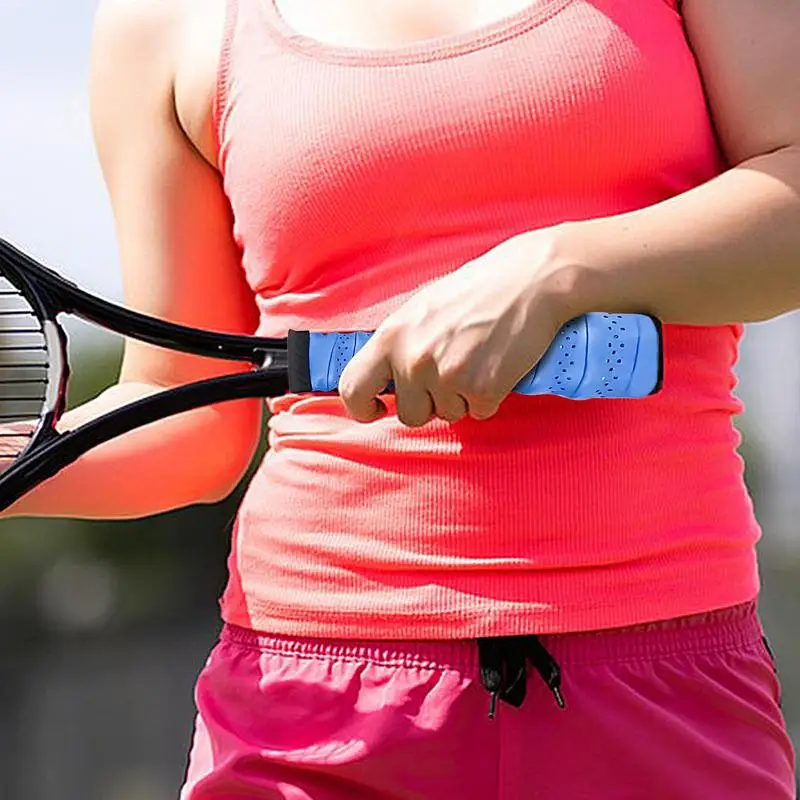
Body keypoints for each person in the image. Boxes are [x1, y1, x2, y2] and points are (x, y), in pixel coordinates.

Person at [6, 0, 800, 796]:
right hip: (309, 709)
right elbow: (183, 416)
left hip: (657, 690)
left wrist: (565, 268)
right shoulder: (164, 22)